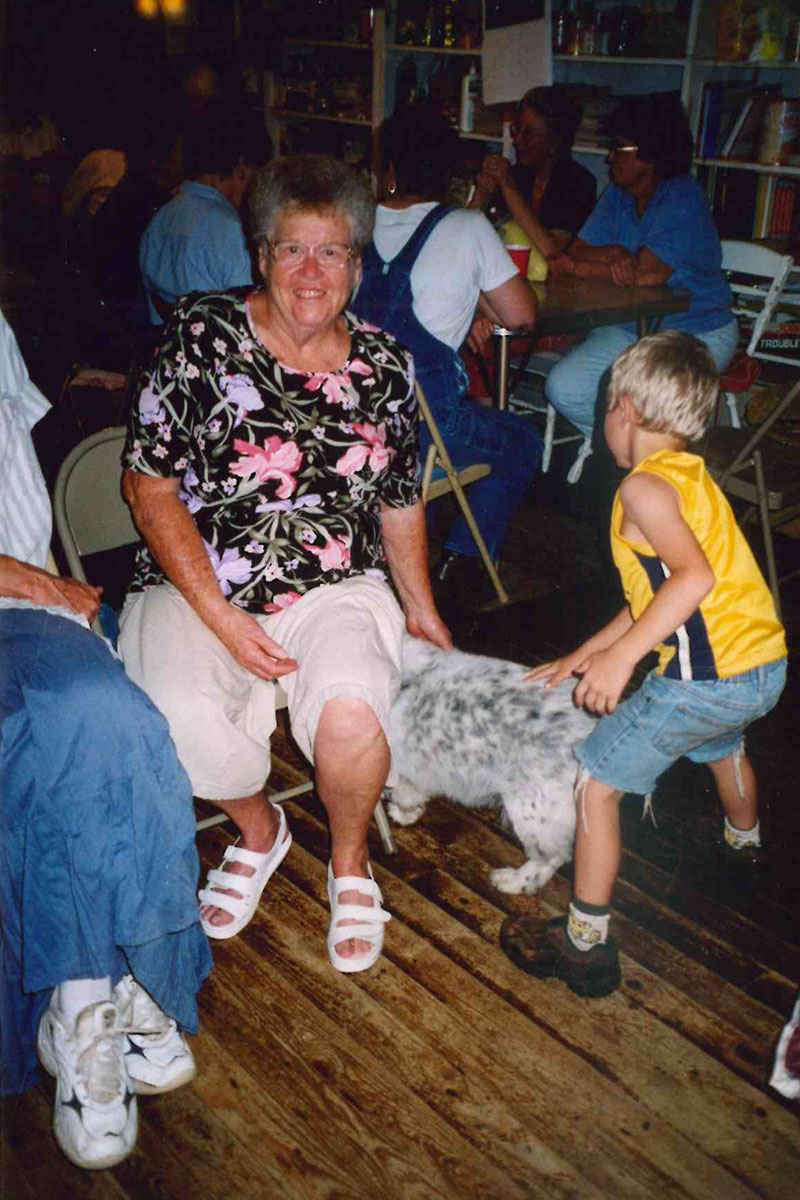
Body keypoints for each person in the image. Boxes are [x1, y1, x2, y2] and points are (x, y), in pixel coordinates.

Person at [117, 155, 451, 974]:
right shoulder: (200, 333)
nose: (311, 272)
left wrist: (423, 608)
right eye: (291, 249)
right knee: (170, 715)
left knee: (351, 711)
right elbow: (146, 485)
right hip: (197, 583)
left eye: (332, 252)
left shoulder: (386, 367)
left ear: (358, 266)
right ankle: (262, 831)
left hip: (332, 583)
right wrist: (225, 619)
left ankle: (348, 863)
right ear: (260, 255)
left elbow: (399, 499)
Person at [500, 331, 786, 999]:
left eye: (604, 405)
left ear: (623, 409)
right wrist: (582, 656)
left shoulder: (643, 490)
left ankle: (583, 946)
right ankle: (744, 846)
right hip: (760, 669)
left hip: (702, 682)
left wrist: (622, 662)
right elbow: (654, 596)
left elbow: (691, 581)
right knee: (723, 746)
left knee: (596, 785)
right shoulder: (690, 479)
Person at [0, 309, 211, 1169]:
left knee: (107, 717)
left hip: (20, 612)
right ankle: (100, 992)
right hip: (19, 590)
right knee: (47, 743)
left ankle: (90, 1003)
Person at [349, 102, 542, 601]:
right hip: (422, 435)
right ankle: (464, 561)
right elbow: (521, 316)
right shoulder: (467, 227)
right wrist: (474, 296)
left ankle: (402, 548)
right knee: (521, 441)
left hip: (345, 424)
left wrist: (471, 300)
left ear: (387, 169)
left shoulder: (351, 224)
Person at [545, 92, 738, 446]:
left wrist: (581, 265)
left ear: (651, 153)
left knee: (649, 405)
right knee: (563, 386)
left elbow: (646, 275)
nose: (609, 157)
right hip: (630, 325)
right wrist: (613, 255)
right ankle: (621, 457)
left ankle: (646, 462)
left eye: (619, 148)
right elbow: (578, 250)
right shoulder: (618, 193)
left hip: (695, 334)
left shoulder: (682, 196)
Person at [138, 106, 271, 325]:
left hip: (167, 348)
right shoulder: (232, 231)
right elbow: (256, 321)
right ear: (242, 168)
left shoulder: (159, 220)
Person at [468, 86, 597, 261]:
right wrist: (482, 194)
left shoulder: (578, 183)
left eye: (529, 134)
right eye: (517, 130)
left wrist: (508, 186)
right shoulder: (517, 175)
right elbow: (464, 236)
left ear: (555, 141)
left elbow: (552, 251)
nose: (517, 141)